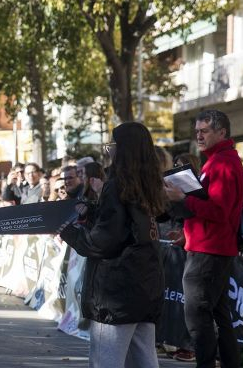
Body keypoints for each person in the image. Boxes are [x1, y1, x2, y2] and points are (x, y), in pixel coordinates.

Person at [57, 122, 166, 368]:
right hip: (146, 284)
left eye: (112, 145)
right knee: (144, 359)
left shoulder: (117, 186)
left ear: (123, 149)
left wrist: (70, 233)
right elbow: (127, 227)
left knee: (105, 361)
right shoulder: (149, 184)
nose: (110, 151)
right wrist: (93, 213)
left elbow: (104, 241)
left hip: (117, 290)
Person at [164, 109, 243, 368]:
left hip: (210, 252)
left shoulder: (222, 163)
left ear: (222, 132)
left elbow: (219, 211)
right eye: (197, 131)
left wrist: (183, 199)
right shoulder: (218, 160)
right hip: (209, 248)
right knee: (218, 315)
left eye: (204, 131)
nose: (198, 135)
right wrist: (186, 235)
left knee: (198, 317)